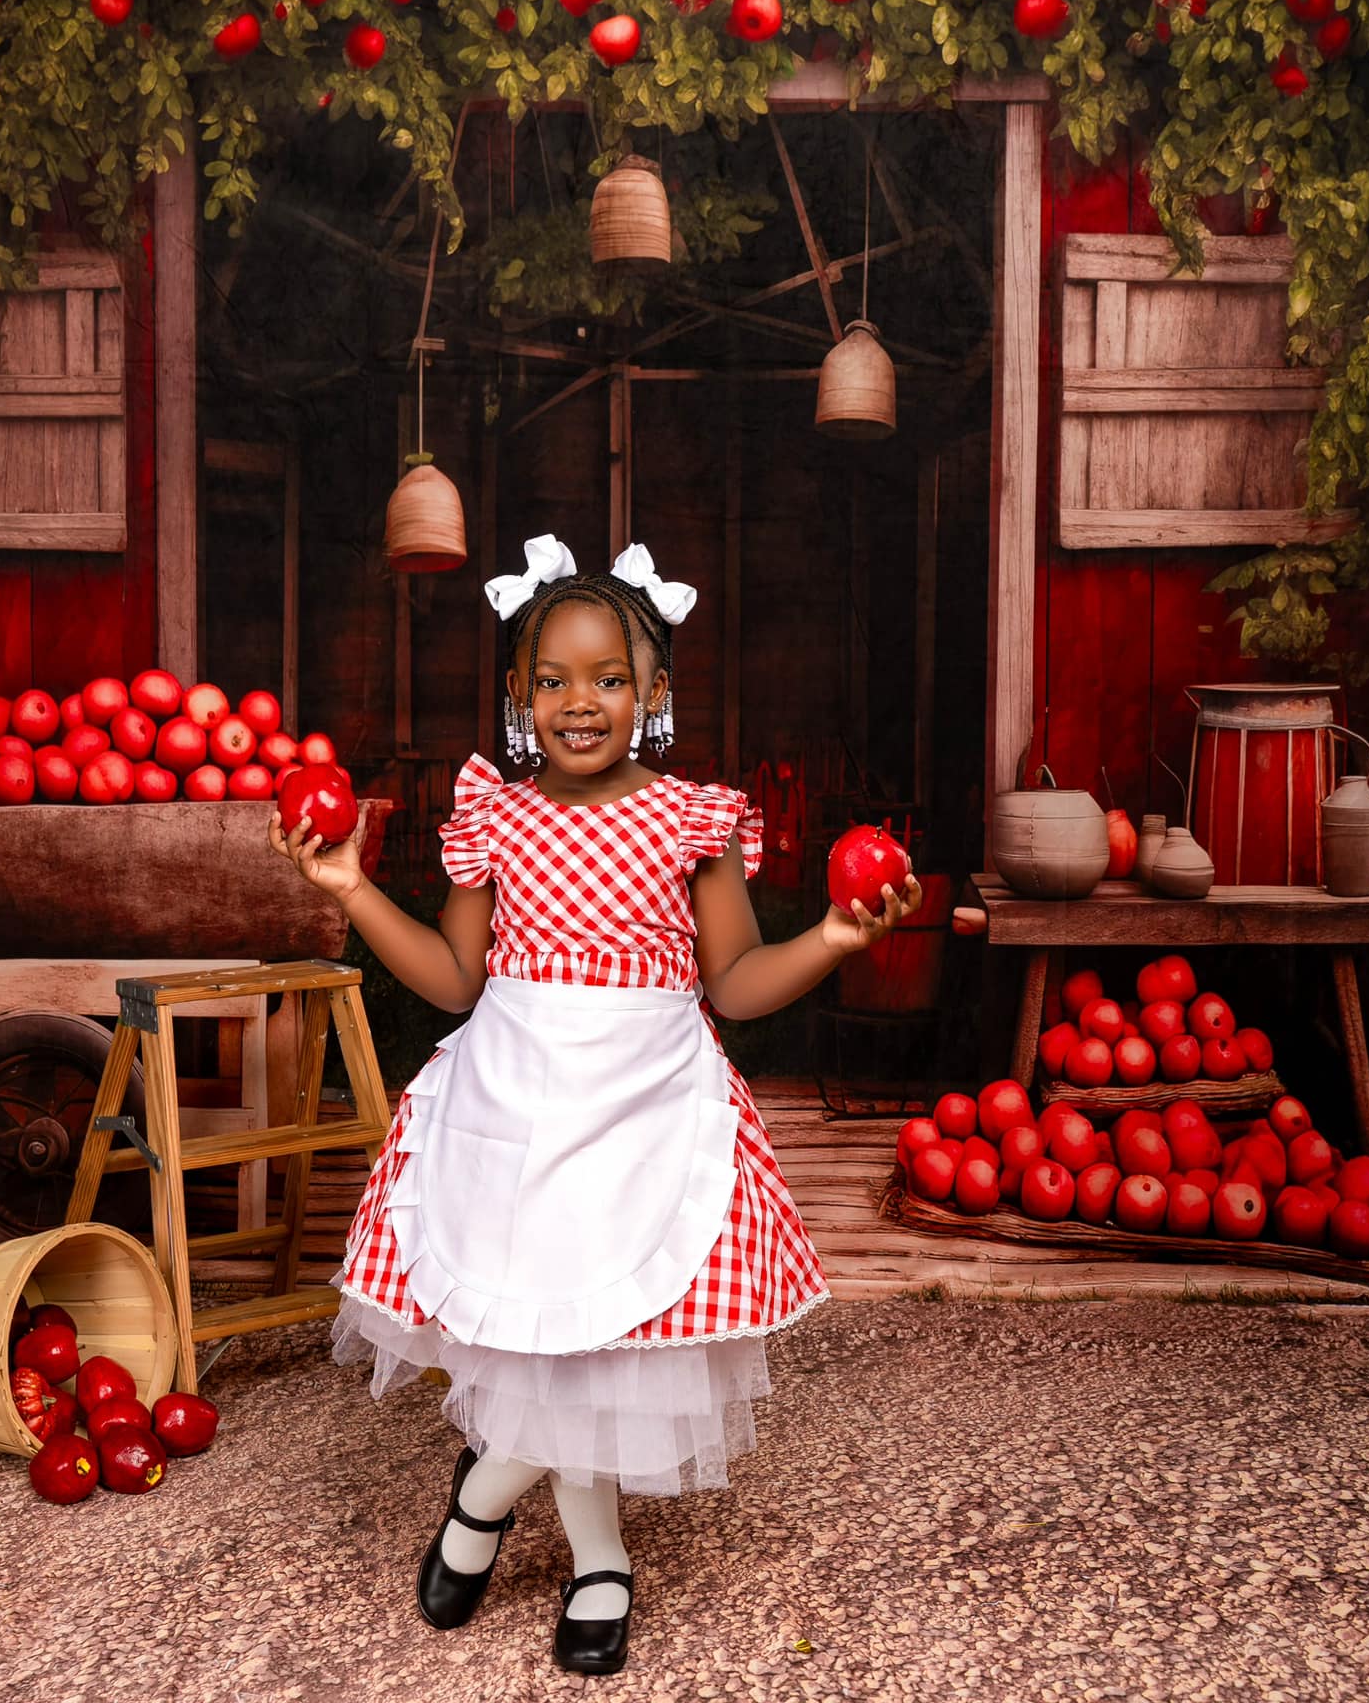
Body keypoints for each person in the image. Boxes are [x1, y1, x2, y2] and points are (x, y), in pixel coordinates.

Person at [271, 533, 919, 1677]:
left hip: (646, 1104)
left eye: (609, 678)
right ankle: (597, 1554)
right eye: (555, 680)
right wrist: (351, 884)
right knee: (546, 1341)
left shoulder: (692, 818)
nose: (582, 702)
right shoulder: (496, 814)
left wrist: (834, 934)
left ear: (654, 690)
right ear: (517, 694)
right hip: (516, 1104)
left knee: (601, 1341)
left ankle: (484, 1500)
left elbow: (735, 983)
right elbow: (452, 979)